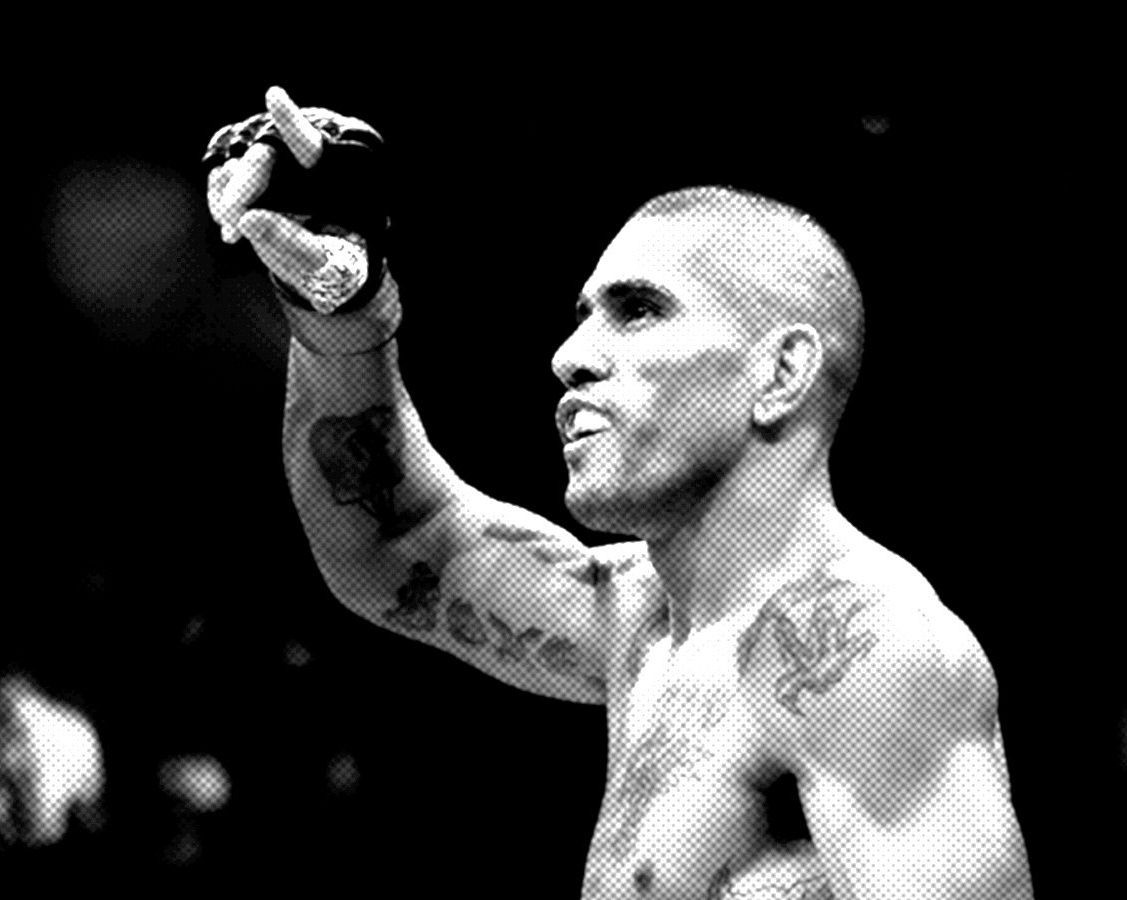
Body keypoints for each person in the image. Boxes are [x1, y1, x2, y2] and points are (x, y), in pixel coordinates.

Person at [206, 87, 1035, 899]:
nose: (570, 356)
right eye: (583, 315)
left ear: (781, 372)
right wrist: (343, 311)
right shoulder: (643, 618)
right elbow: (397, 544)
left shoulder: (855, 649)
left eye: (638, 311)